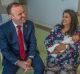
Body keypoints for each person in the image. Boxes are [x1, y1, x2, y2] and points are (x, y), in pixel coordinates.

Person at [0, 2, 44, 74]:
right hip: (12, 55)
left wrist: (30, 58)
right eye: (20, 14)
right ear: (11, 17)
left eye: (23, 12)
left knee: (41, 68)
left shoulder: (29, 24)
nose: (24, 15)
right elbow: (5, 50)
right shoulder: (3, 29)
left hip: (28, 52)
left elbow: (33, 42)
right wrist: (18, 62)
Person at [44, 9, 80, 74]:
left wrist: (66, 46)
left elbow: (78, 48)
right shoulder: (57, 28)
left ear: (73, 18)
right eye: (63, 16)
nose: (63, 18)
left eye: (66, 17)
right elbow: (47, 40)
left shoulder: (78, 31)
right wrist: (55, 48)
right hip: (54, 60)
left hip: (69, 62)